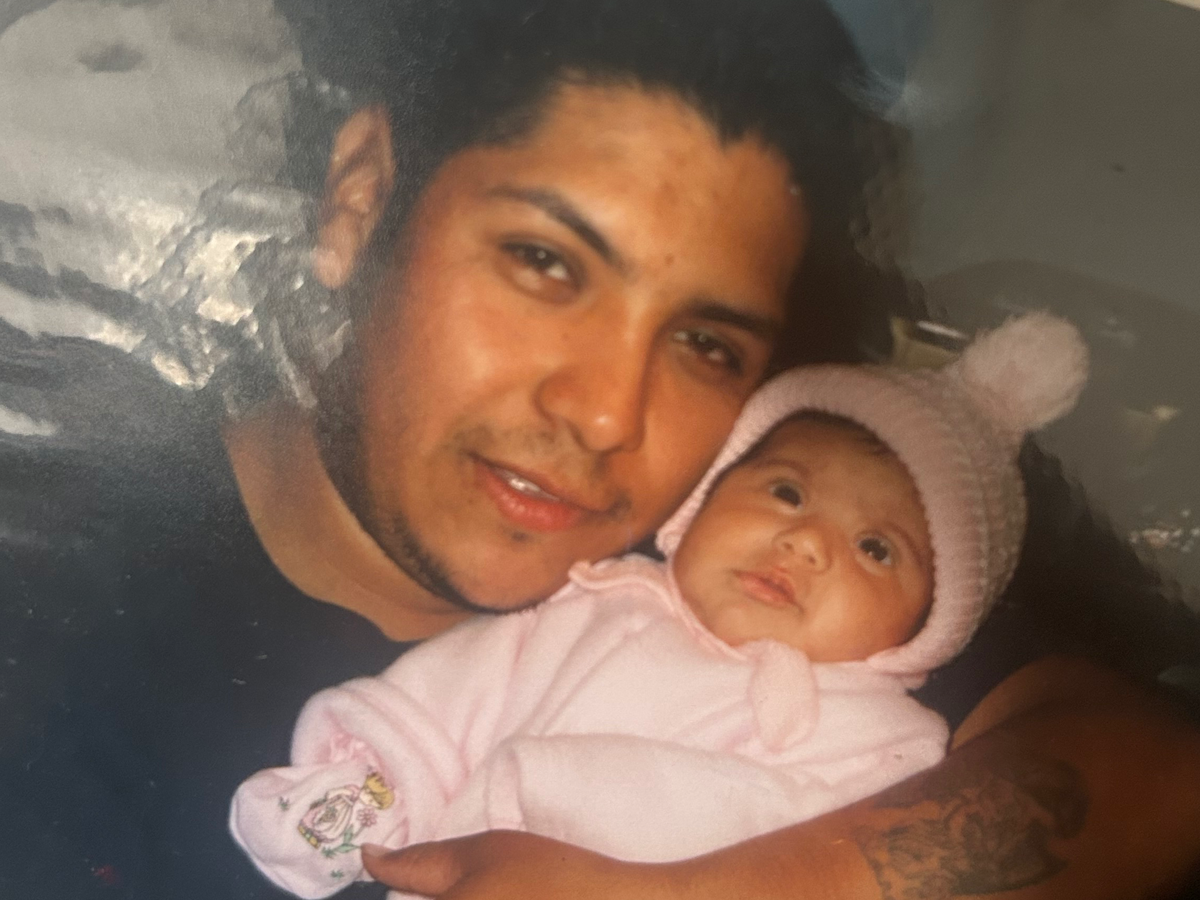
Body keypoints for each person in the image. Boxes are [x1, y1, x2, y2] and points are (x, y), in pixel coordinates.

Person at [1, 1, 1198, 899]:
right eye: (545, 262)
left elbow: (1153, 773)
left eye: (705, 344)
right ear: (360, 198)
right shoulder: (64, 622)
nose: (610, 414)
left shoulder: (773, 580)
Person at [228, 313, 1088, 900]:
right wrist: (370, 792)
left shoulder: (884, 740)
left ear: (927, 626)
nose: (807, 544)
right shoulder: (597, 600)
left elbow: (830, 860)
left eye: (876, 549)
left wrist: (565, 799)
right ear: (706, 499)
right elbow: (454, 701)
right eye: (787, 492)